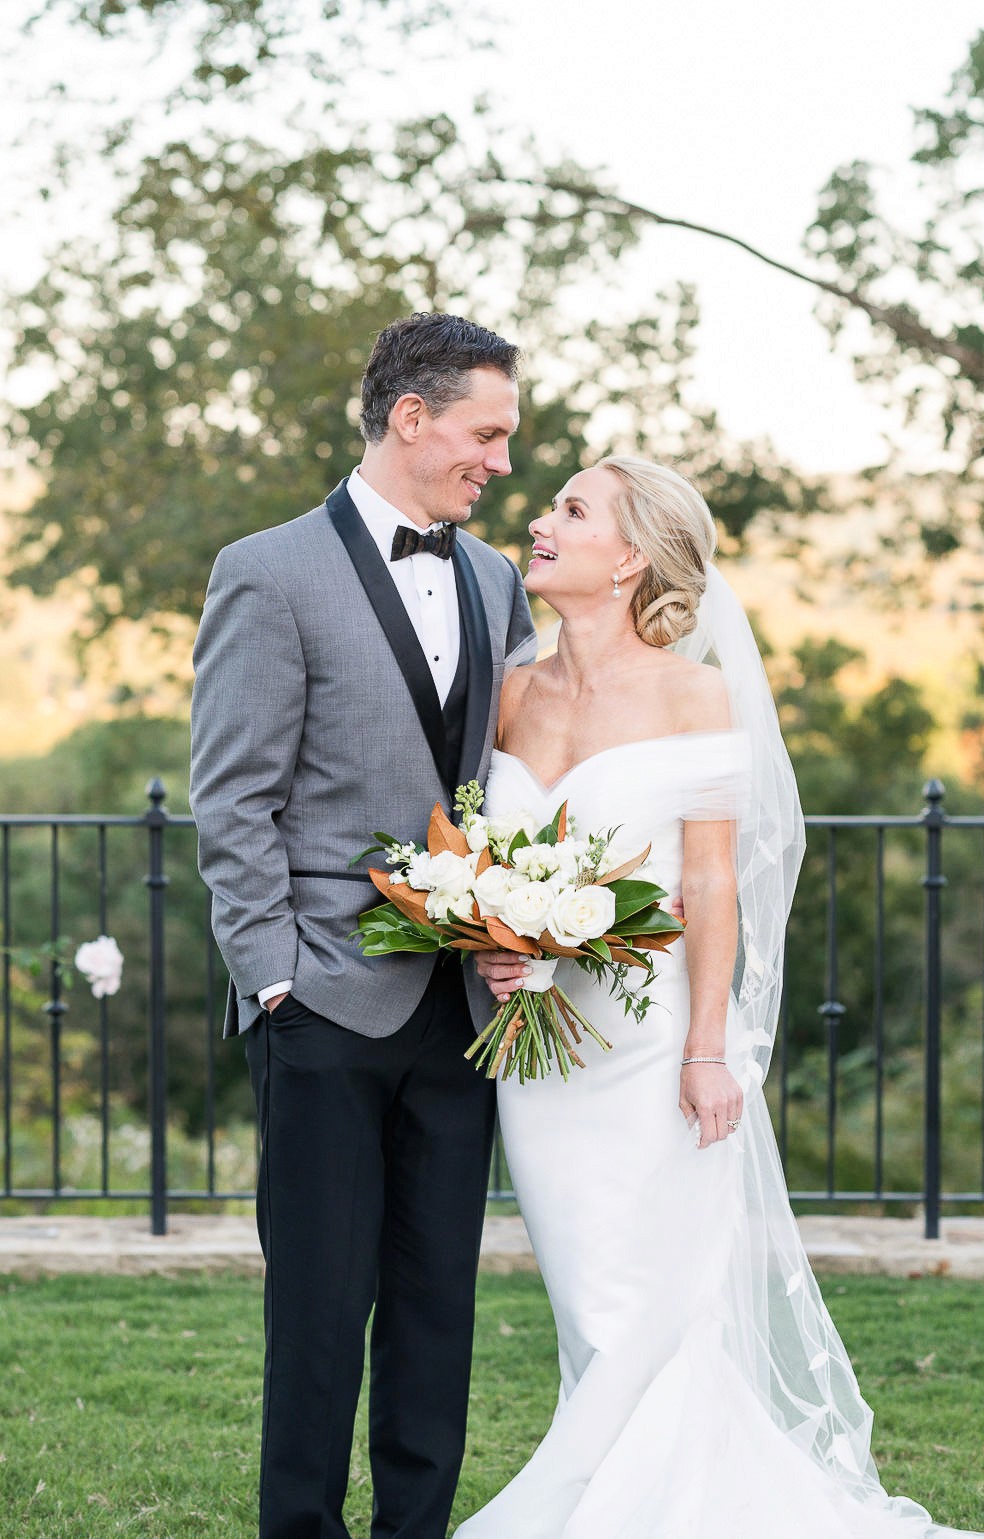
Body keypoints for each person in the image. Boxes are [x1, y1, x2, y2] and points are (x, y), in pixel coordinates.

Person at [459, 457, 984, 1539]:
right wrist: (496, 939)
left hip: (649, 1045)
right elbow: (487, 852)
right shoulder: (513, 688)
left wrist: (710, 1052)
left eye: (571, 508)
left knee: (648, 1301)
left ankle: (584, 1514)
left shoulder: (692, 693)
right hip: (540, 1052)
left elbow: (709, 882)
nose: (538, 519)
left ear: (629, 560)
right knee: (586, 1297)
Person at [189, 312, 534, 1539]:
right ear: (411, 417)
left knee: (439, 1302)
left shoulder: (496, 581)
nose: (499, 462)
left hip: (464, 1005)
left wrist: (522, 928)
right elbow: (231, 797)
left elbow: (514, 783)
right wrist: (275, 977)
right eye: (485, 434)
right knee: (323, 1312)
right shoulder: (267, 570)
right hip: (325, 1002)